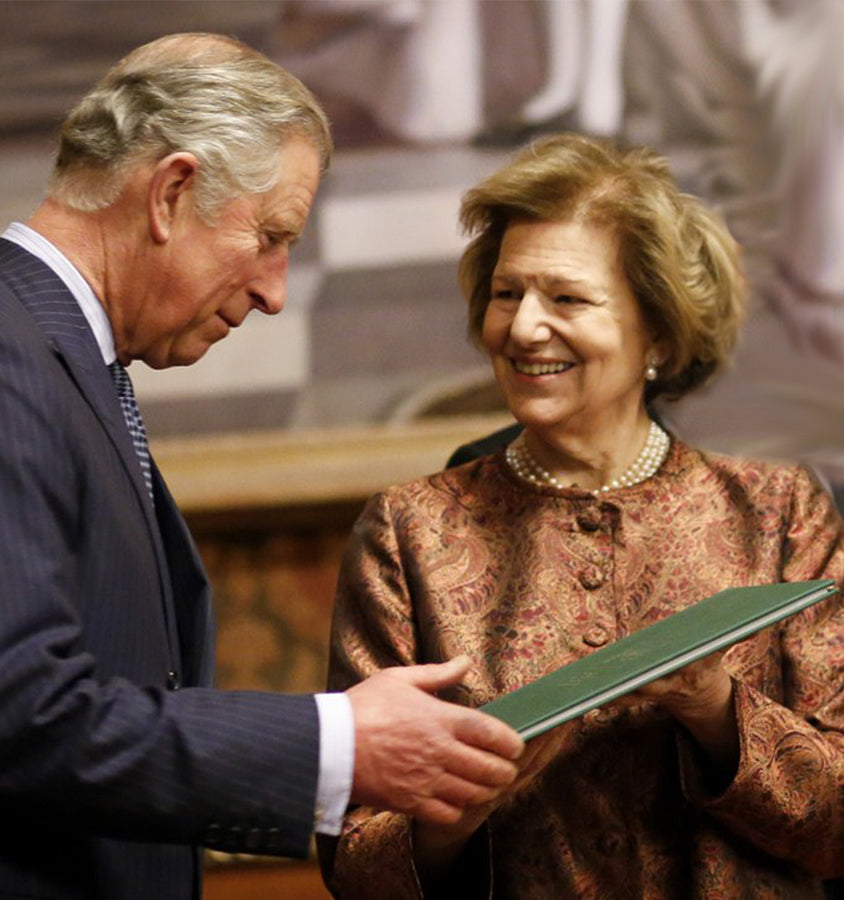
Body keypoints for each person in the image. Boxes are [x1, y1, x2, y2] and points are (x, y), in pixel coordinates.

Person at [0, 33, 525, 900]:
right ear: (172, 192)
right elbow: (23, 713)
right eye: (269, 235)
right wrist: (339, 745)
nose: (275, 289)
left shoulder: (60, 358)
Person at [320, 132, 844, 898]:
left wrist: (714, 709)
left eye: (567, 298)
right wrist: (459, 805)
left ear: (658, 332)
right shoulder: (409, 531)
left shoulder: (780, 513)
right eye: (508, 294)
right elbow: (356, 865)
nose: (524, 327)